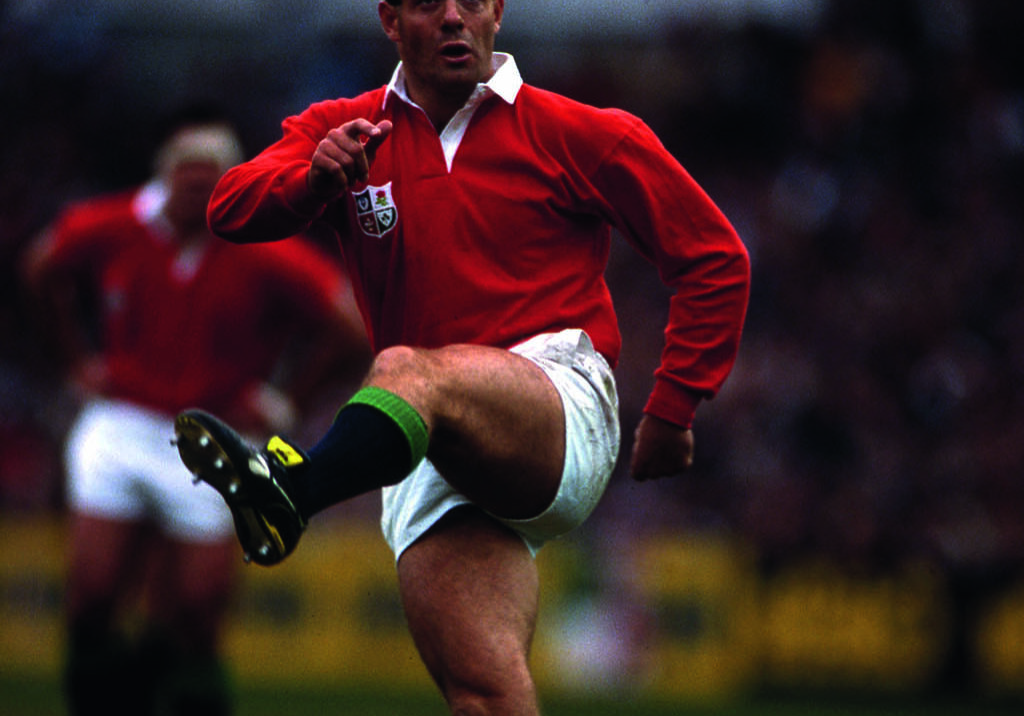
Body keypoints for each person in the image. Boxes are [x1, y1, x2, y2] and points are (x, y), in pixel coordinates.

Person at [173, 1, 750, 713]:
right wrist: (314, 182)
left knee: (406, 368)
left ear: (497, 14)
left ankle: (294, 492)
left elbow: (714, 258)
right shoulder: (343, 127)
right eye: (427, 3)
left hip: (555, 404)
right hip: (425, 441)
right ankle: (293, 492)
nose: (453, 17)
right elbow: (228, 209)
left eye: (472, 1)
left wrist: (673, 405)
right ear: (391, 20)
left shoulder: (579, 131)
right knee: (483, 695)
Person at [22, 106, 369, 715]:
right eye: (188, 175)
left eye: (212, 178)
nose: (198, 189)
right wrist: (76, 359)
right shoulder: (118, 224)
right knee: (94, 593)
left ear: (230, 182)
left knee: (198, 611)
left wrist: (287, 398)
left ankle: (168, 690)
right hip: (124, 420)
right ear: (165, 177)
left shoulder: (261, 247)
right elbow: (42, 266)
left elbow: (347, 324)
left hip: (216, 435)